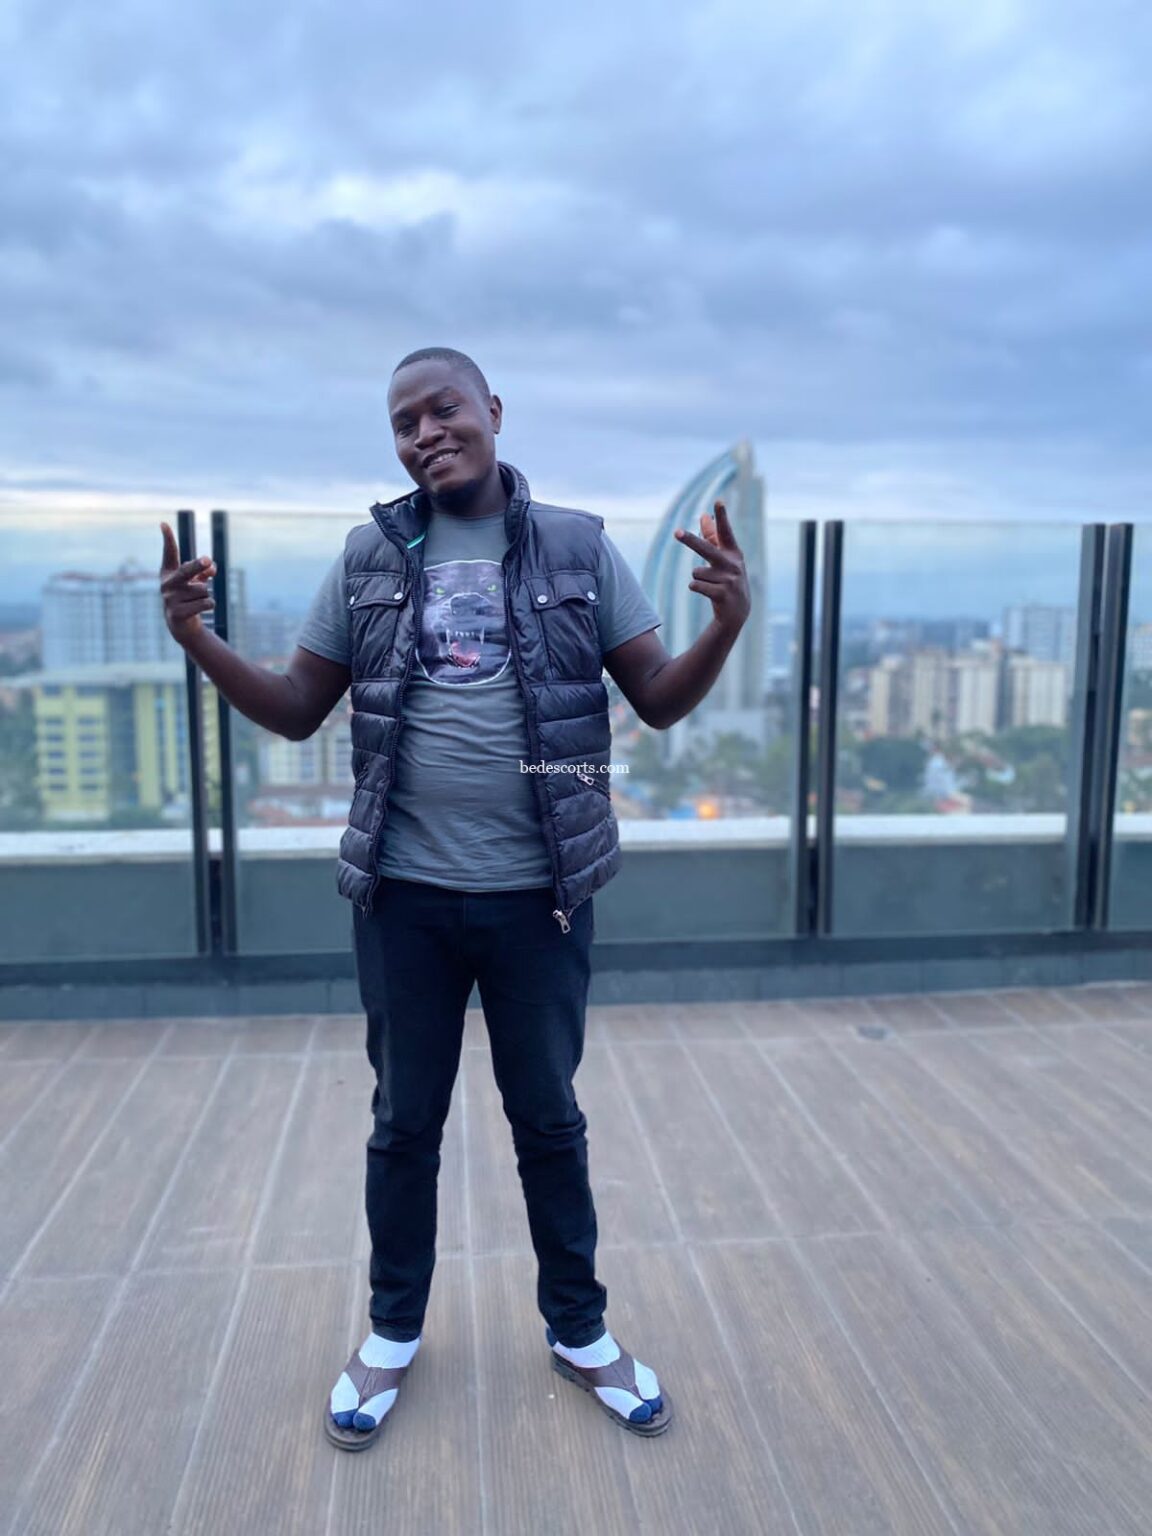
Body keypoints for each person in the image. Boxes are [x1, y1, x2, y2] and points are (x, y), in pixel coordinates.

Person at [159, 346, 751, 1449]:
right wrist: (196, 637)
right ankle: (392, 1333)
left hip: (541, 899)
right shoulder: (369, 554)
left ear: (493, 411)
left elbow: (660, 702)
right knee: (403, 1125)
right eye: (403, 423)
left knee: (549, 1122)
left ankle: (580, 1331)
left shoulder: (576, 545)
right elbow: (295, 708)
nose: (425, 433)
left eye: (443, 410)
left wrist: (723, 624)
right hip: (405, 899)